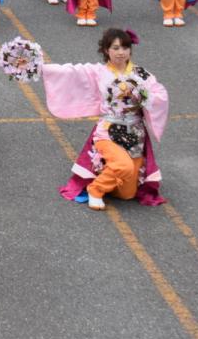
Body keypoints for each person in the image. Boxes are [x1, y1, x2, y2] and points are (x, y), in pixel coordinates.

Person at [41, 28, 168, 210]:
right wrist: (41, 67)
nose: (120, 52)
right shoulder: (98, 72)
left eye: (124, 47)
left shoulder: (141, 75)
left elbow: (160, 95)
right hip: (108, 130)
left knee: (128, 194)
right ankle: (96, 189)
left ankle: (107, 173)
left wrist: (143, 96)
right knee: (123, 166)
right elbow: (70, 72)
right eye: (115, 48)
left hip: (135, 134)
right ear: (106, 50)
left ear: (130, 50)